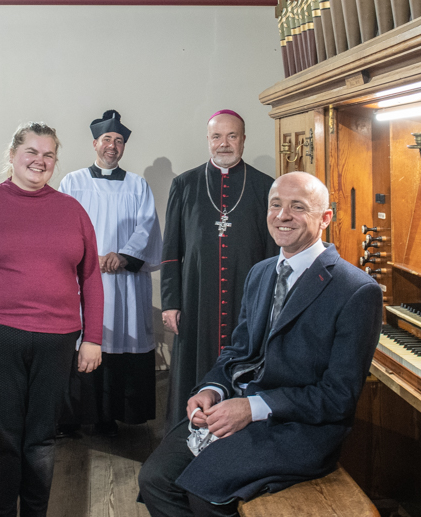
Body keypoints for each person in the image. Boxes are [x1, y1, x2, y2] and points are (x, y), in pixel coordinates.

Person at [138, 171, 384, 517]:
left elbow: (338, 398)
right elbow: (239, 352)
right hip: (239, 406)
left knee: (203, 490)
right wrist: (213, 389)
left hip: (296, 427)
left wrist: (252, 408)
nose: (283, 216)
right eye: (276, 205)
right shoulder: (262, 272)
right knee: (154, 478)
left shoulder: (356, 290)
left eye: (298, 207)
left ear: (325, 218)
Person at [0, 122, 103, 517]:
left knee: (41, 441)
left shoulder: (72, 210)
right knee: (1, 439)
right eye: (32, 152)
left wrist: (93, 338)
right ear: (13, 156)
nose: (40, 161)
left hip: (57, 338)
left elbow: (91, 278)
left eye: (48, 155)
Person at [161, 109, 279, 429]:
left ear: (243, 139)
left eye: (231, 136)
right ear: (208, 140)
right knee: (194, 364)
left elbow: (272, 252)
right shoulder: (184, 184)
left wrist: (271, 303)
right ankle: (186, 430)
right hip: (197, 295)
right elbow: (171, 249)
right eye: (217, 137)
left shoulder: (265, 186)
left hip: (247, 297)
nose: (223, 144)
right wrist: (171, 302)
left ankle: (238, 429)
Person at [57, 110, 163, 437]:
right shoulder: (72, 183)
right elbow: (63, 227)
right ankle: (75, 416)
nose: (112, 146)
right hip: (85, 278)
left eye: (119, 141)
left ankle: (112, 415)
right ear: (94, 143)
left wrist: (123, 255)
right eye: (107, 140)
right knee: (82, 341)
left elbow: (147, 227)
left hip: (126, 282)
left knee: (121, 340)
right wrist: (93, 257)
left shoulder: (137, 185)